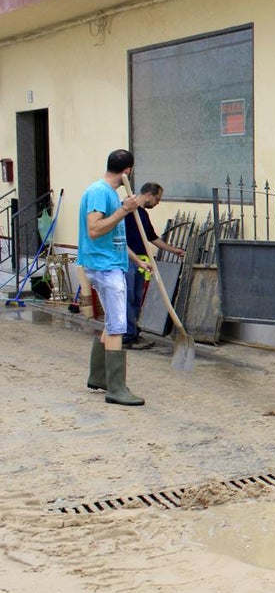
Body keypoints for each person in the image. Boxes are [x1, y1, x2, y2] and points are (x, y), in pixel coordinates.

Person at [78, 149, 144, 406]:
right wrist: (124, 211)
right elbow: (94, 230)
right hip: (104, 267)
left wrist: (137, 260)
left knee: (113, 322)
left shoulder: (111, 195)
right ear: (128, 170)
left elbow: (115, 237)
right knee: (118, 324)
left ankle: (99, 376)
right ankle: (116, 388)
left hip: (112, 263)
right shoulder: (98, 192)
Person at [123, 182, 185, 350]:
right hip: (126, 259)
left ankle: (133, 331)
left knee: (136, 298)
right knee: (127, 297)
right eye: (157, 199)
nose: (158, 203)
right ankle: (127, 335)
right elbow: (119, 238)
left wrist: (173, 250)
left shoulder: (142, 214)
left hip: (141, 260)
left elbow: (152, 237)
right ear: (149, 195)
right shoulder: (126, 210)